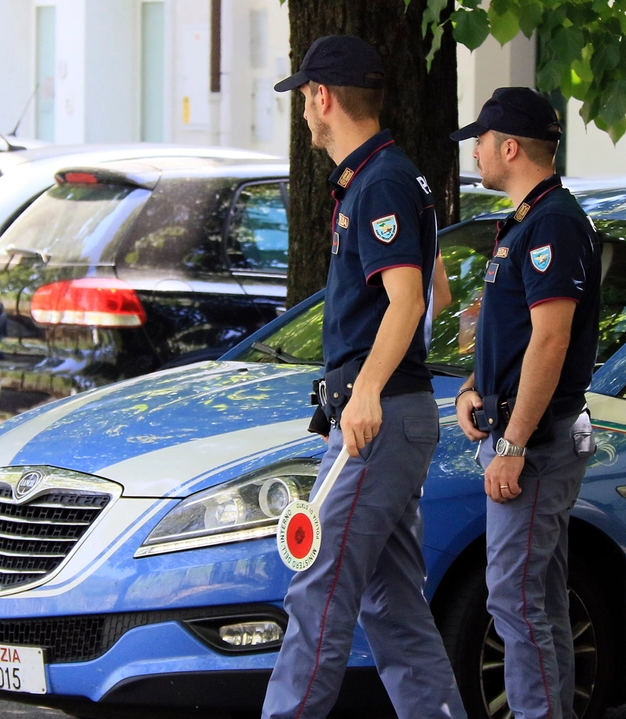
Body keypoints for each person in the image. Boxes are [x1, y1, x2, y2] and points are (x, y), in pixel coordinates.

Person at [261, 35, 466, 719]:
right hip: (391, 415)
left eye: (305, 100)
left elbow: (409, 297)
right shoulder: (397, 175)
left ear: (322, 97)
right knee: (391, 600)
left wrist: (369, 389)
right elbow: (432, 286)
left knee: (316, 586)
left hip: (376, 418)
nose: (304, 116)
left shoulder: (378, 181)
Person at [451, 87, 601, 719]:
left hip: (534, 443)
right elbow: (506, 327)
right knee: (535, 596)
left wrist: (511, 443)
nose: (476, 152)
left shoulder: (552, 223)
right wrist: (469, 386)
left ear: (509, 147)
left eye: (481, 141)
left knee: (514, 599)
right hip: (518, 431)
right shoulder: (526, 219)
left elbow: (551, 337)